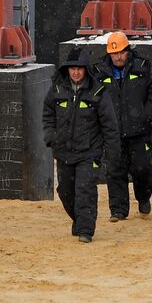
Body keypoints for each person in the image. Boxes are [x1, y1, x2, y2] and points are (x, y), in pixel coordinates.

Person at [42, 47, 120, 243]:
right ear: (67, 70)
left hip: (89, 152)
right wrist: (51, 136)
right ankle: (79, 220)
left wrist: (112, 153)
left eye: (79, 68)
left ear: (86, 70)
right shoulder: (57, 90)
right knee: (66, 192)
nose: (76, 72)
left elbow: (109, 126)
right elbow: (48, 114)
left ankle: (86, 230)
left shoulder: (99, 93)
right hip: (63, 151)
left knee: (85, 191)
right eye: (72, 68)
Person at [91, 31, 152, 221]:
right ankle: (118, 210)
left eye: (121, 52)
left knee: (141, 168)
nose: (118, 57)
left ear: (128, 50)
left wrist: (146, 116)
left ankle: (143, 198)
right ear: (109, 53)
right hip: (113, 133)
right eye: (114, 53)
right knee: (115, 170)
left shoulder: (143, 67)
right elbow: (92, 98)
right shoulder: (98, 72)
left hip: (139, 131)